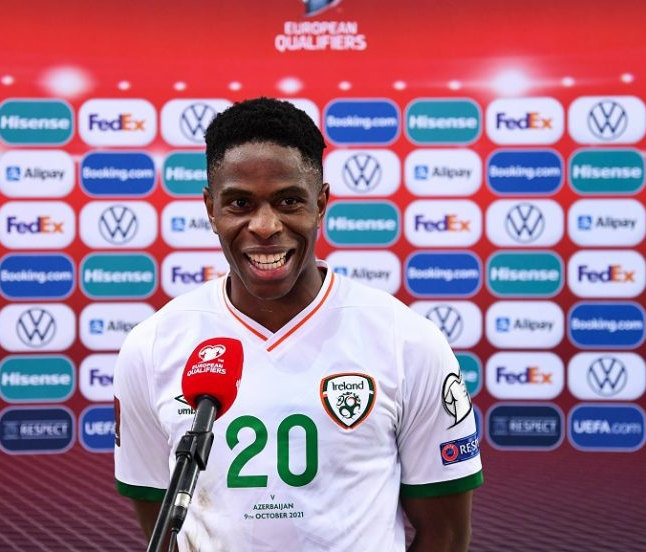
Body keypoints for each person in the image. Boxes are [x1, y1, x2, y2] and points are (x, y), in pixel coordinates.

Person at [114, 97, 483, 551]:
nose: (265, 225)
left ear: (321, 203)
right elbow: (161, 526)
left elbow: (446, 533)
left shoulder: (407, 341)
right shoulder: (152, 346)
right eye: (239, 203)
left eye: (289, 201)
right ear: (211, 209)